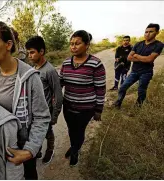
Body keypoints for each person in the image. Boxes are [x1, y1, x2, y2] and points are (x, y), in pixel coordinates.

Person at [0, 21, 50, 180]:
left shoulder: (30, 78)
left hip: (21, 150)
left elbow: (42, 117)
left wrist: (28, 151)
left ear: (8, 44)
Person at [59, 30, 106, 166]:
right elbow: (61, 82)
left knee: (79, 131)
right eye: (71, 43)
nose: (73, 46)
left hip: (86, 108)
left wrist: (99, 109)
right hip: (68, 106)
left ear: (87, 45)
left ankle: (75, 150)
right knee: (71, 129)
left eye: (77, 43)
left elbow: (100, 89)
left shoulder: (96, 64)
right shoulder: (66, 62)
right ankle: (75, 146)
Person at [25, 36, 63, 164]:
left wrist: (55, 115)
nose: (29, 56)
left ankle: (50, 150)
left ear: (41, 52)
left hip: (45, 111)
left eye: (32, 52)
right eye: (28, 53)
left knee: (47, 132)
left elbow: (58, 94)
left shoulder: (50, 71)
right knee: (36, 132)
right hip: (34, 111)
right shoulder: (33, 69)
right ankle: (38, 150)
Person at [114, 23, 164, 109]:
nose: (147, 34)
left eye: (151, 32)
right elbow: (129, 58)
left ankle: (137, 107)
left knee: (141, 91)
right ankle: (117, 104)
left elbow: (150, 60)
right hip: (134, 71)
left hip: (146, 72)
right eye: (146, 32)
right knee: (123, 87)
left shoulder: (158, 45)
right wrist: (144, 58)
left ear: (157, 32)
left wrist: (136, 56)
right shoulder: (138, 44)